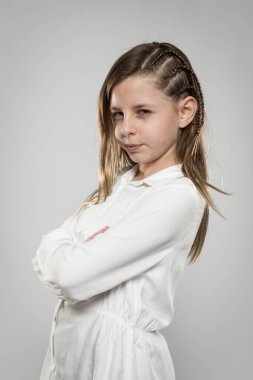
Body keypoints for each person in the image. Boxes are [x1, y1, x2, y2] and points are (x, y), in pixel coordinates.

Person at [31, 41, 230, 380]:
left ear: (185, 112)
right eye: (117, 114)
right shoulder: (119, 185)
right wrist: (64, 250)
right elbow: (46, 259)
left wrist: (68, 245)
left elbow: (69, 275)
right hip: (70, 360)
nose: (125, 128)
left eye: (143, 112)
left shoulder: (177, 197)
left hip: (120, 365)